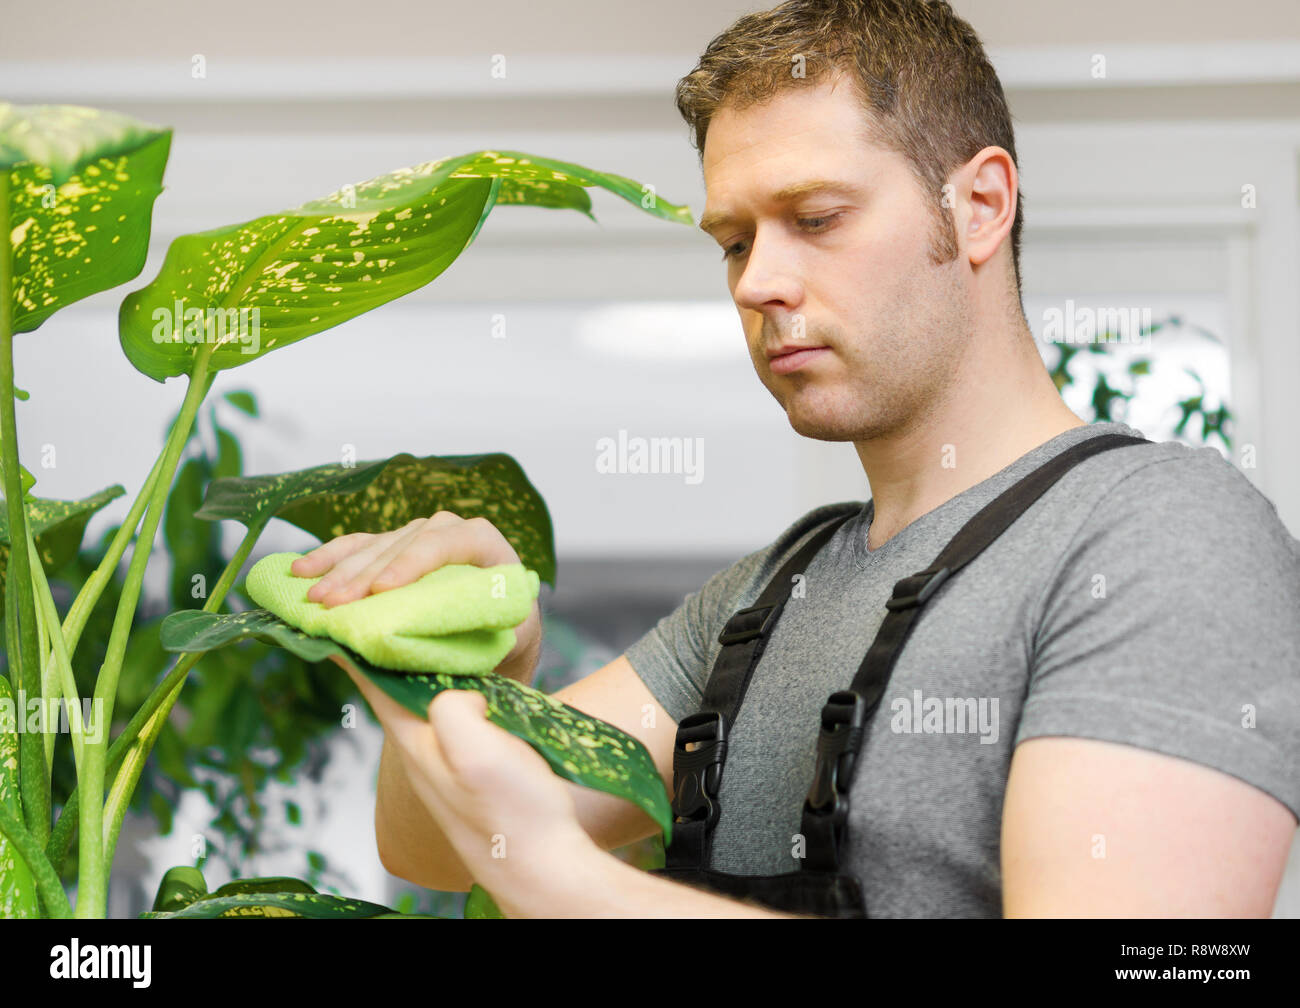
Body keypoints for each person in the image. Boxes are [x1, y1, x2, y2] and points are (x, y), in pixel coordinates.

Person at [290, 0, 1300, 917]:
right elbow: (433, 847)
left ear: (981, 206)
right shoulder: (773, 593)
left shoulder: (1161, 538)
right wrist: (483, 664)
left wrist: (572, 887)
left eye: (814, 219)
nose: (757, 281)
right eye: (733, 241)